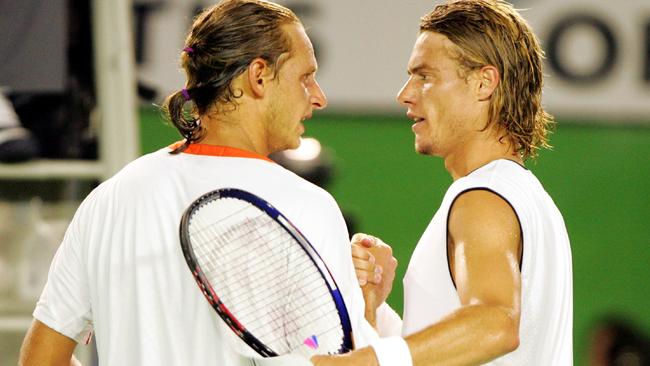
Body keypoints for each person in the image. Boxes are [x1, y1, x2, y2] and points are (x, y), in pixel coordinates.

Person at [18, 1, 379, 365]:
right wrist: (369, 307)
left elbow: (39, 360)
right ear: (258, 76)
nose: (318, 97)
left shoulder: (108, 199)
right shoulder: (306, 206)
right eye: (305, 77)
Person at [313, 0, 573, 365]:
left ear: (484, 83)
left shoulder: (482, 198)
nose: (405, 93)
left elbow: (494, 325)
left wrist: (358, 362)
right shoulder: (526, 198)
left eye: (425, 76)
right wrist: (375, 308)